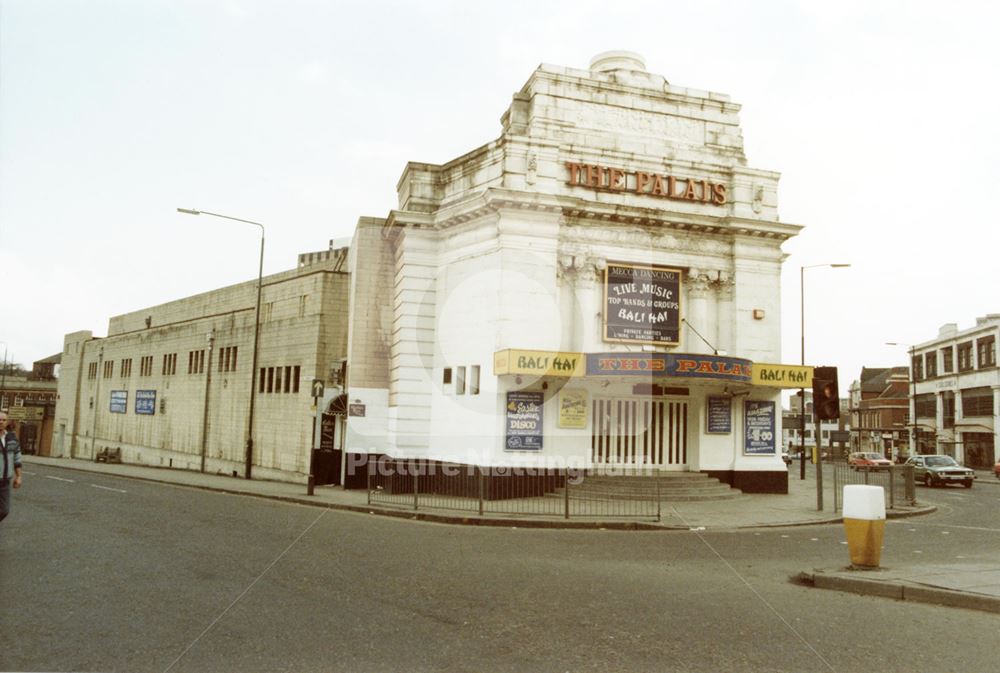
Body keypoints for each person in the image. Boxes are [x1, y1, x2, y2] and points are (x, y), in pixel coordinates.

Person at [1, 411, 24, 523]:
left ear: (7, 422)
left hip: (5, 481)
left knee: (4, 510)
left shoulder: (11, 438)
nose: (1, 422)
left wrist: (19, 476)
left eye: (3, 420)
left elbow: (17, 458)